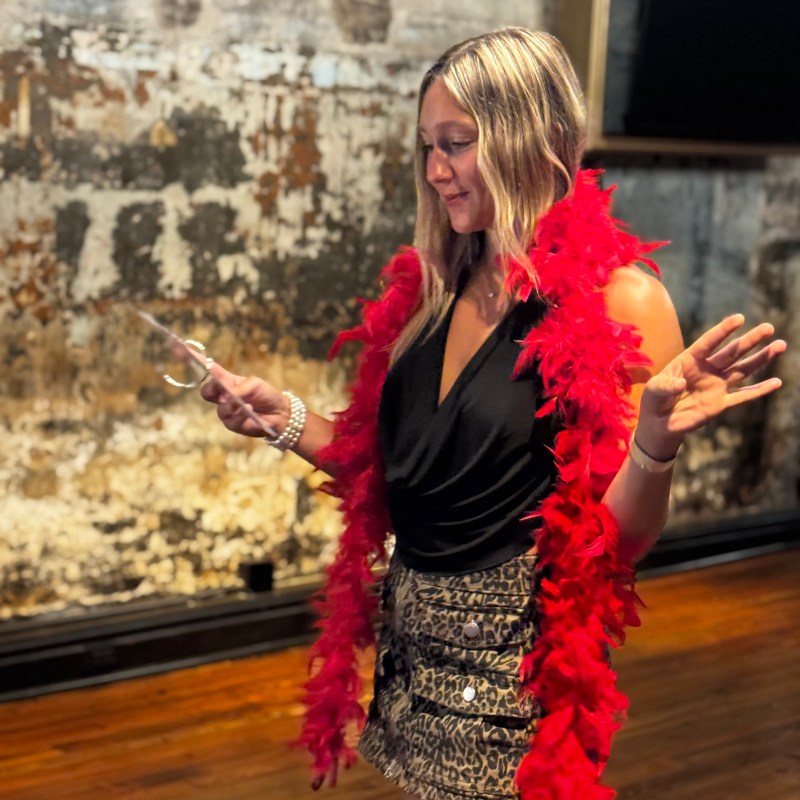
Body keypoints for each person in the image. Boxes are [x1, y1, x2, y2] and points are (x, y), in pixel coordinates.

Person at [200, 27, 785, 800]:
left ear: (533, 137)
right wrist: (280, 417)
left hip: (512, 674)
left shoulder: (621, 300)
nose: (436, 171)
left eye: (457, 144)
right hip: (412, 655)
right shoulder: (436, 285)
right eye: (427, 147)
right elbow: (395, 472)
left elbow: (618, 548)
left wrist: (653, 446)